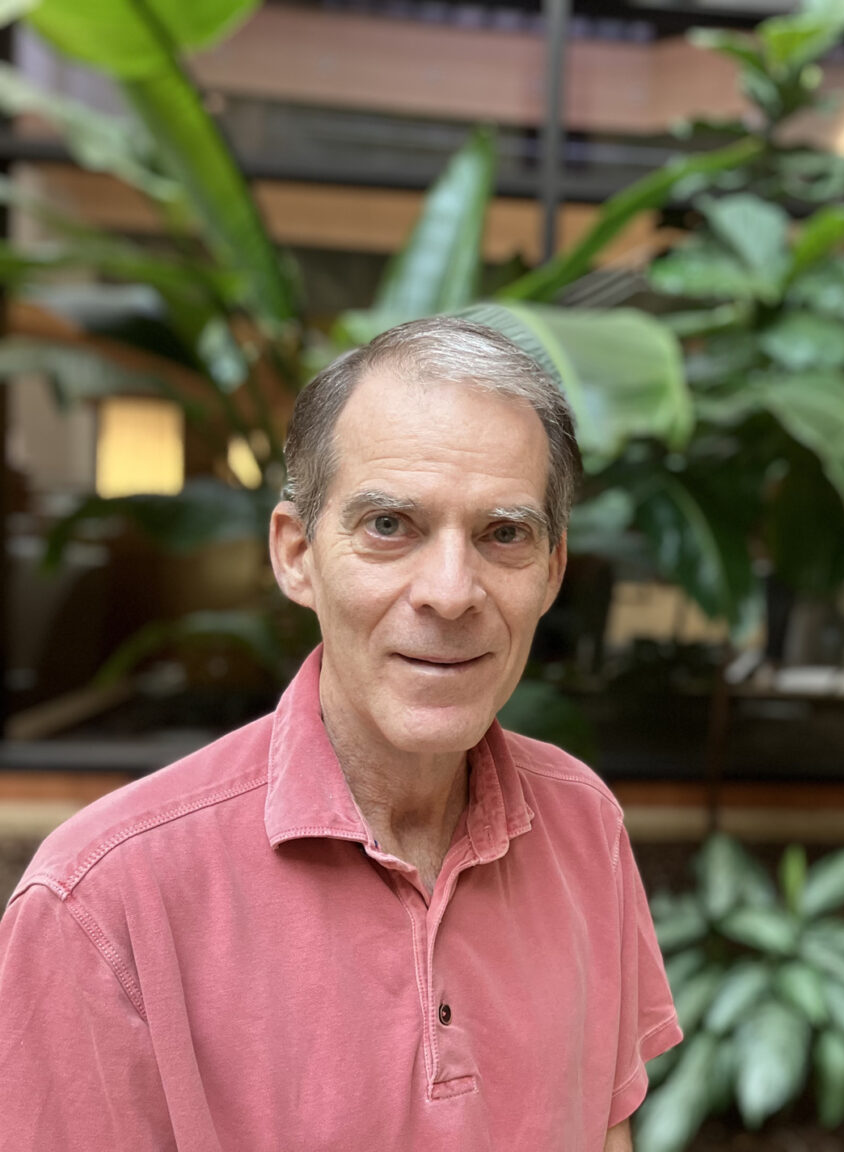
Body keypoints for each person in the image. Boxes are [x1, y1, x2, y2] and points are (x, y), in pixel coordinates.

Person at [0, 316, 681, 1150]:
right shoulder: (101, 903)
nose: (450, 591)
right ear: (296, 554)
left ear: (552, 572)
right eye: (390, 526)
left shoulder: (585, 825)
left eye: (504, 534)